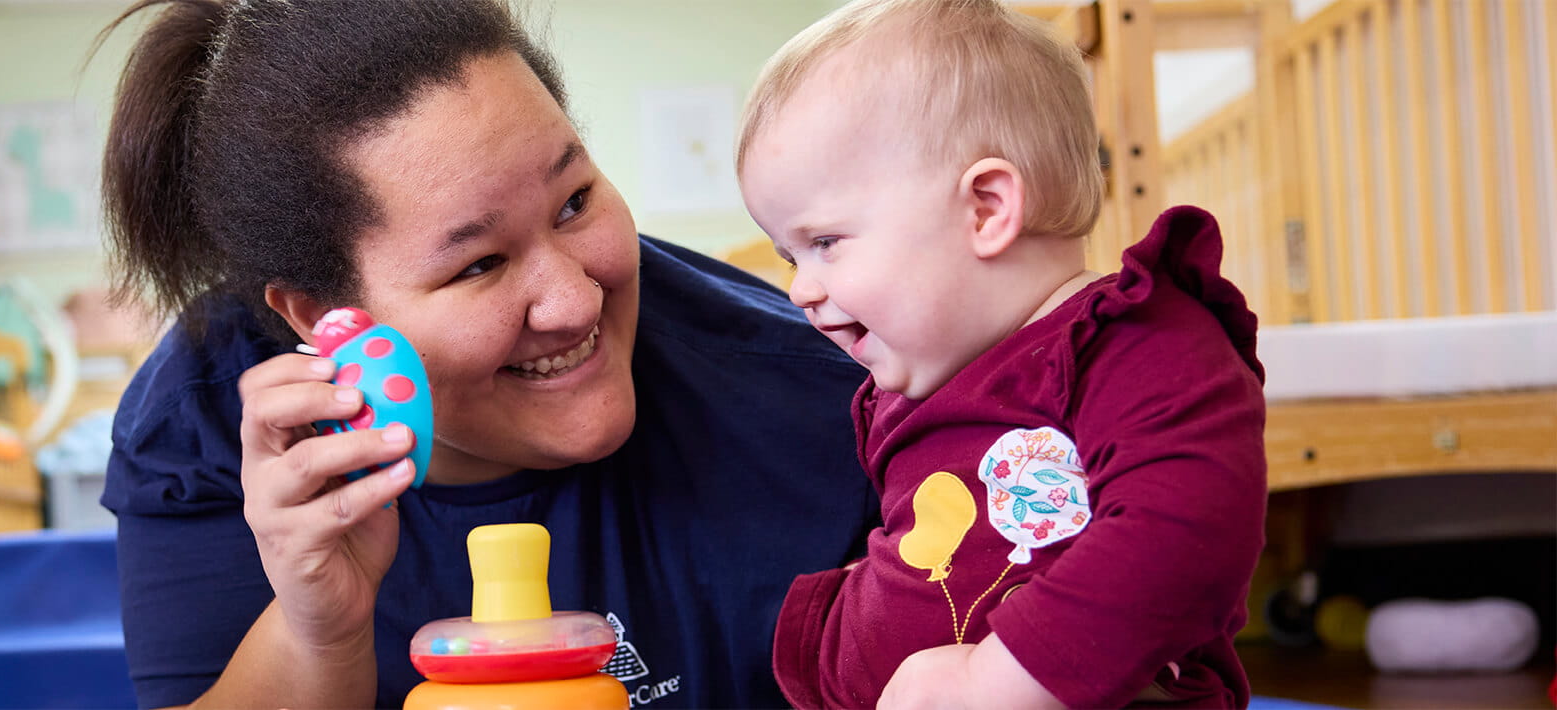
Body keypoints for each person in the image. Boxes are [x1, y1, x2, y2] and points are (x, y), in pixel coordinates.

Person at [93, 1, 878, 707]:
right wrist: (317, 634)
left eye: (574, 202)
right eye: (479, 264)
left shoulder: (829, 397)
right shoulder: (199, 427)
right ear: (325, 318)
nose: (575, 300)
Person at [735, 0, 1269, 707]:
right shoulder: (923, 381)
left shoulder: (1134, 344)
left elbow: (1184, 533)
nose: (801, 289)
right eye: (787, 255)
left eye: (825, 243)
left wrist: (996, 682)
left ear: (986, 209)